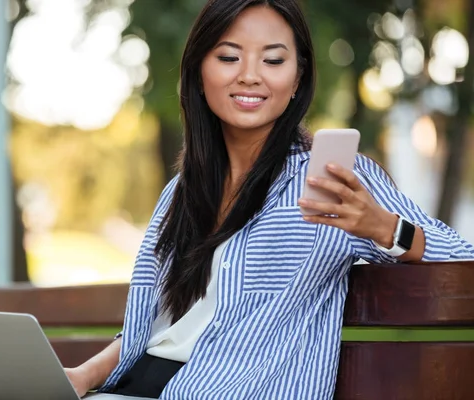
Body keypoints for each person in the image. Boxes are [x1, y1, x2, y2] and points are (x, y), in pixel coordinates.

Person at [65, 0, 474, 398]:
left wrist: (382, 227)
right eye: (228, 57)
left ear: (297, 79)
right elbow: (158, 327)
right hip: (139, 387)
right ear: (199, 72)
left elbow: (461, 257)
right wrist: (81, 376)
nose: (249, 76)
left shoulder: (336, 181)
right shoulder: (181, 192)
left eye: (273, 61)